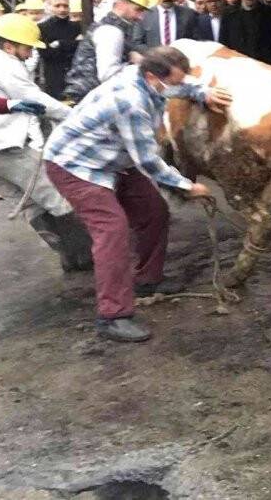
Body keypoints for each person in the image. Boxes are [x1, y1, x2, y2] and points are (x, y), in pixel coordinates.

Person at [44, 46, 231, 343]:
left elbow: (179, 85)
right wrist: (186, 185)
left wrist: (201, 92)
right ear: (151, 76)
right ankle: (113, 315)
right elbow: (148, 160)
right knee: (112, 230)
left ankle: (147, 280)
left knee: (154, 212)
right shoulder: (130, 102)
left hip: (115, 158)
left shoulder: (146, 76)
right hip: (76, 165)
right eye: (171, 82)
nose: (176, 87)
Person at [0, 14, 91, 272]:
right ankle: (87, 255)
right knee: (57, 199)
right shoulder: (5, 67)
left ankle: (68, 256)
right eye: (26, 48)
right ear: (9, 46)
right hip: (5, 146)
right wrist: (76, 116)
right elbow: (37, 101)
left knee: (31, 204)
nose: (29, 54)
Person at [62, 0, 151, 104]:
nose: (140, 17)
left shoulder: (109, 27)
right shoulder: (111, 31)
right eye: (138, 10)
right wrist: (136, 65)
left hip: (88, 97)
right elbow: (108, 74)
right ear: (122, 4)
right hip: (89, 101)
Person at [132, 0, 198, 51]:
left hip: (181, 59)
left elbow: (195, 40)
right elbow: (137, 42)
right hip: (155, 60)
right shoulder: (145, 16)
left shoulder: (188, 14)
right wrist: (153, 54)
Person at [38, 0, 82, 99]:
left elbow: (82, 48)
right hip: (54, 78)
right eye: (57, 6)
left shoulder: (77, 26)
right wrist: (72, 44)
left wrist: (59, 44)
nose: (62, 9)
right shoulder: (42, 28)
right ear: (50, 7)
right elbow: (46, 53)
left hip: (75, 75)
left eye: (65, 6)